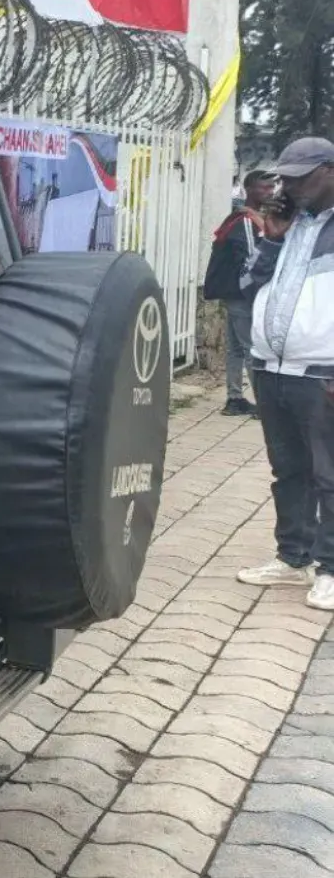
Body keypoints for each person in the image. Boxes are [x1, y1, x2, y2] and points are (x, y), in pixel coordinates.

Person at [234, 136, 334, 611]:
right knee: (288, 470)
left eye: (302, 177)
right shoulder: (288, 222)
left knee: (329, 474)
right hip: (271, 366)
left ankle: (331, 568)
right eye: (285, 177)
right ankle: (293, 557)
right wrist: (272, 239)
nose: (290, 186)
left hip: (322, 372)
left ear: (330, 170)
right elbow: (249, 282)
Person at [203, 170, 278, 416]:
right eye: (262, 188)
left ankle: (234, 399)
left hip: (236, 293)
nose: (268, 192)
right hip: (242, 293)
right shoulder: (246, 221)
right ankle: (263, 405)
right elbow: (249, 261)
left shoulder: (252, 217)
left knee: (236, 348)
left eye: (271, 188)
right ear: (248, 189)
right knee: (251, 348)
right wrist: (256, 292)